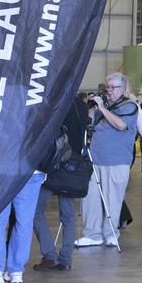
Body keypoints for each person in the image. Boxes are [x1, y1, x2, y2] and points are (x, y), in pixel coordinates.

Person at [76, 73, 138, 248]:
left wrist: (102, 108)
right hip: (95, 160)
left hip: (117, 161)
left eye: (113, 88)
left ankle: (110, 233)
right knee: (91, 198)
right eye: (107, 87)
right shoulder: (103, 105)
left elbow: (120, 125)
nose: (109, 91)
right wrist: (91, 106)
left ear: (123, 88)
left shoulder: (130, 106)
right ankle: (92, 234)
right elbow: (89, 122)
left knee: (113, 199)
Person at [32, 92, 91, 273]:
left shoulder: (53, 104)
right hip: (73, 167)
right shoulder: (82, 105)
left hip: (54, 167)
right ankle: (66, 259)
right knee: (68, 215)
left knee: (36, 212)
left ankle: (50, 255)